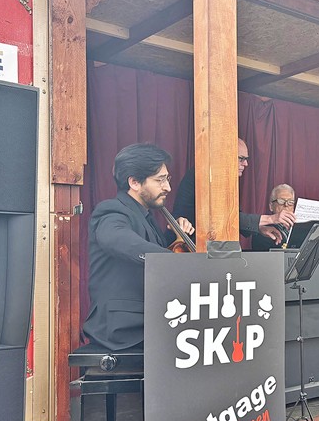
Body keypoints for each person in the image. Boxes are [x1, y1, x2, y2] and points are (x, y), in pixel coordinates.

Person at [82, 143, 195, 350]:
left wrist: (175, 235)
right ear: (134, 182)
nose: (168, 187)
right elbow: (119, 240)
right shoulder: (112, 211)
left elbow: (148, 248)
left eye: (167, 179)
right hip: (123, 331)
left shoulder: (147, 217)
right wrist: (177, 262)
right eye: (160, 180)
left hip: (145, 324)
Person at [171, 138, 294, 245]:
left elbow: (234, 216)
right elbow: (227, 218)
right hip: (186, 247)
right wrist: (271, 219)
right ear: (225, 156)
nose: (246, 163)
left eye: (246, 159)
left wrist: (261, 228)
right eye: (241, 159)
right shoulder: (208, 176)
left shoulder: (222, 178)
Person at [252, 184, 296, 251]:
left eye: (290, 202)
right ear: (271, 206)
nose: (286, 205)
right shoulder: (263, 230)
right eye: (281, 201)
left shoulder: (301, 227)